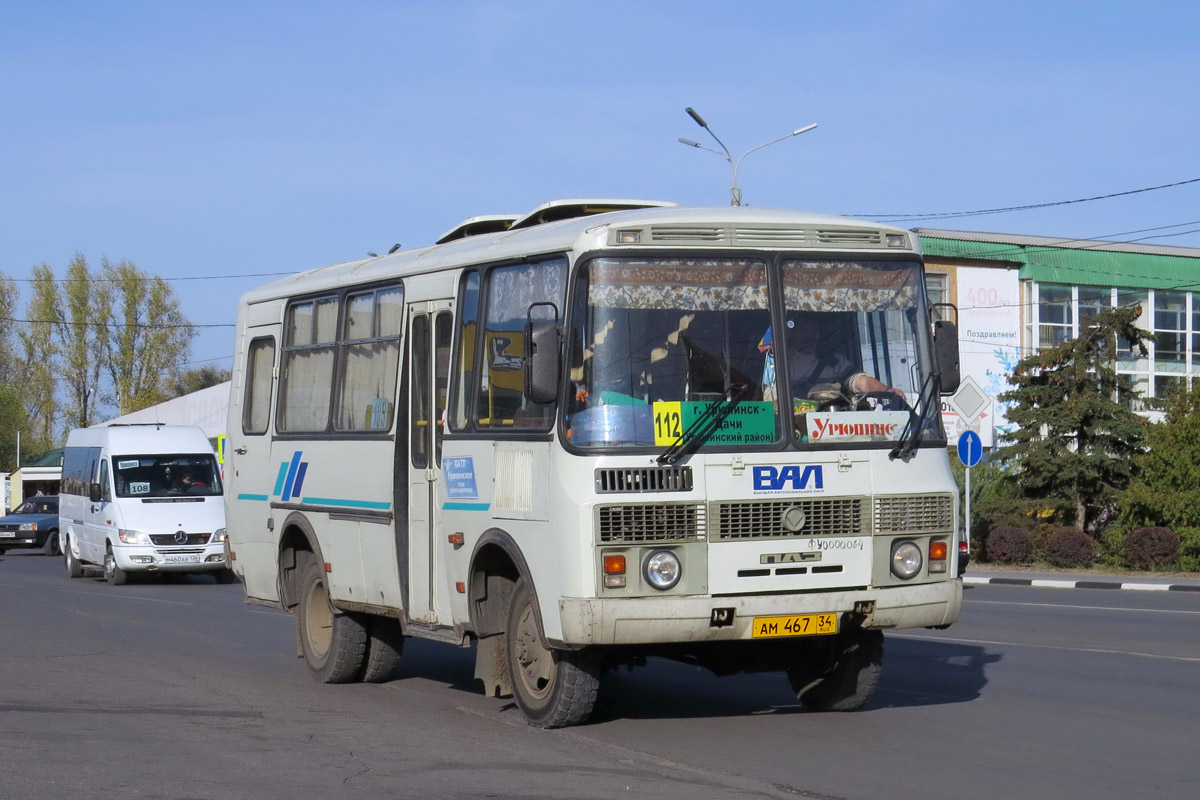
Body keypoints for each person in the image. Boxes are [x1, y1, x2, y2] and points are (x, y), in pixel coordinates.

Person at [761, 315, 906, 405]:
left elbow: (861, 381)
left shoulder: (834, 361)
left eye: (814, 331)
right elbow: (771, 402)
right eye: (804, 330)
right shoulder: (778, 363)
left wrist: (886, 390)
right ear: (791, 333)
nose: (811, 336)